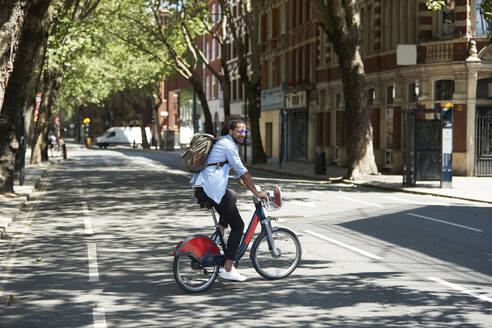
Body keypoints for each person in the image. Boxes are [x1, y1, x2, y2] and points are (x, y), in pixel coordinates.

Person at [190, 116, 267, 282]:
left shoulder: (224, 142)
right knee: (239, 225)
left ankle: (221, 232)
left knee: (232, 196)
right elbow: (243, 170)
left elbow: (222, 165)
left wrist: (238, 177)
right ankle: (228, 267)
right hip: (209, 189)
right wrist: (256, 192)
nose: (242, 134)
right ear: (231, 131)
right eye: (239, 131)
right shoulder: (228, 145)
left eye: (245, 131)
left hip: (203, 187)